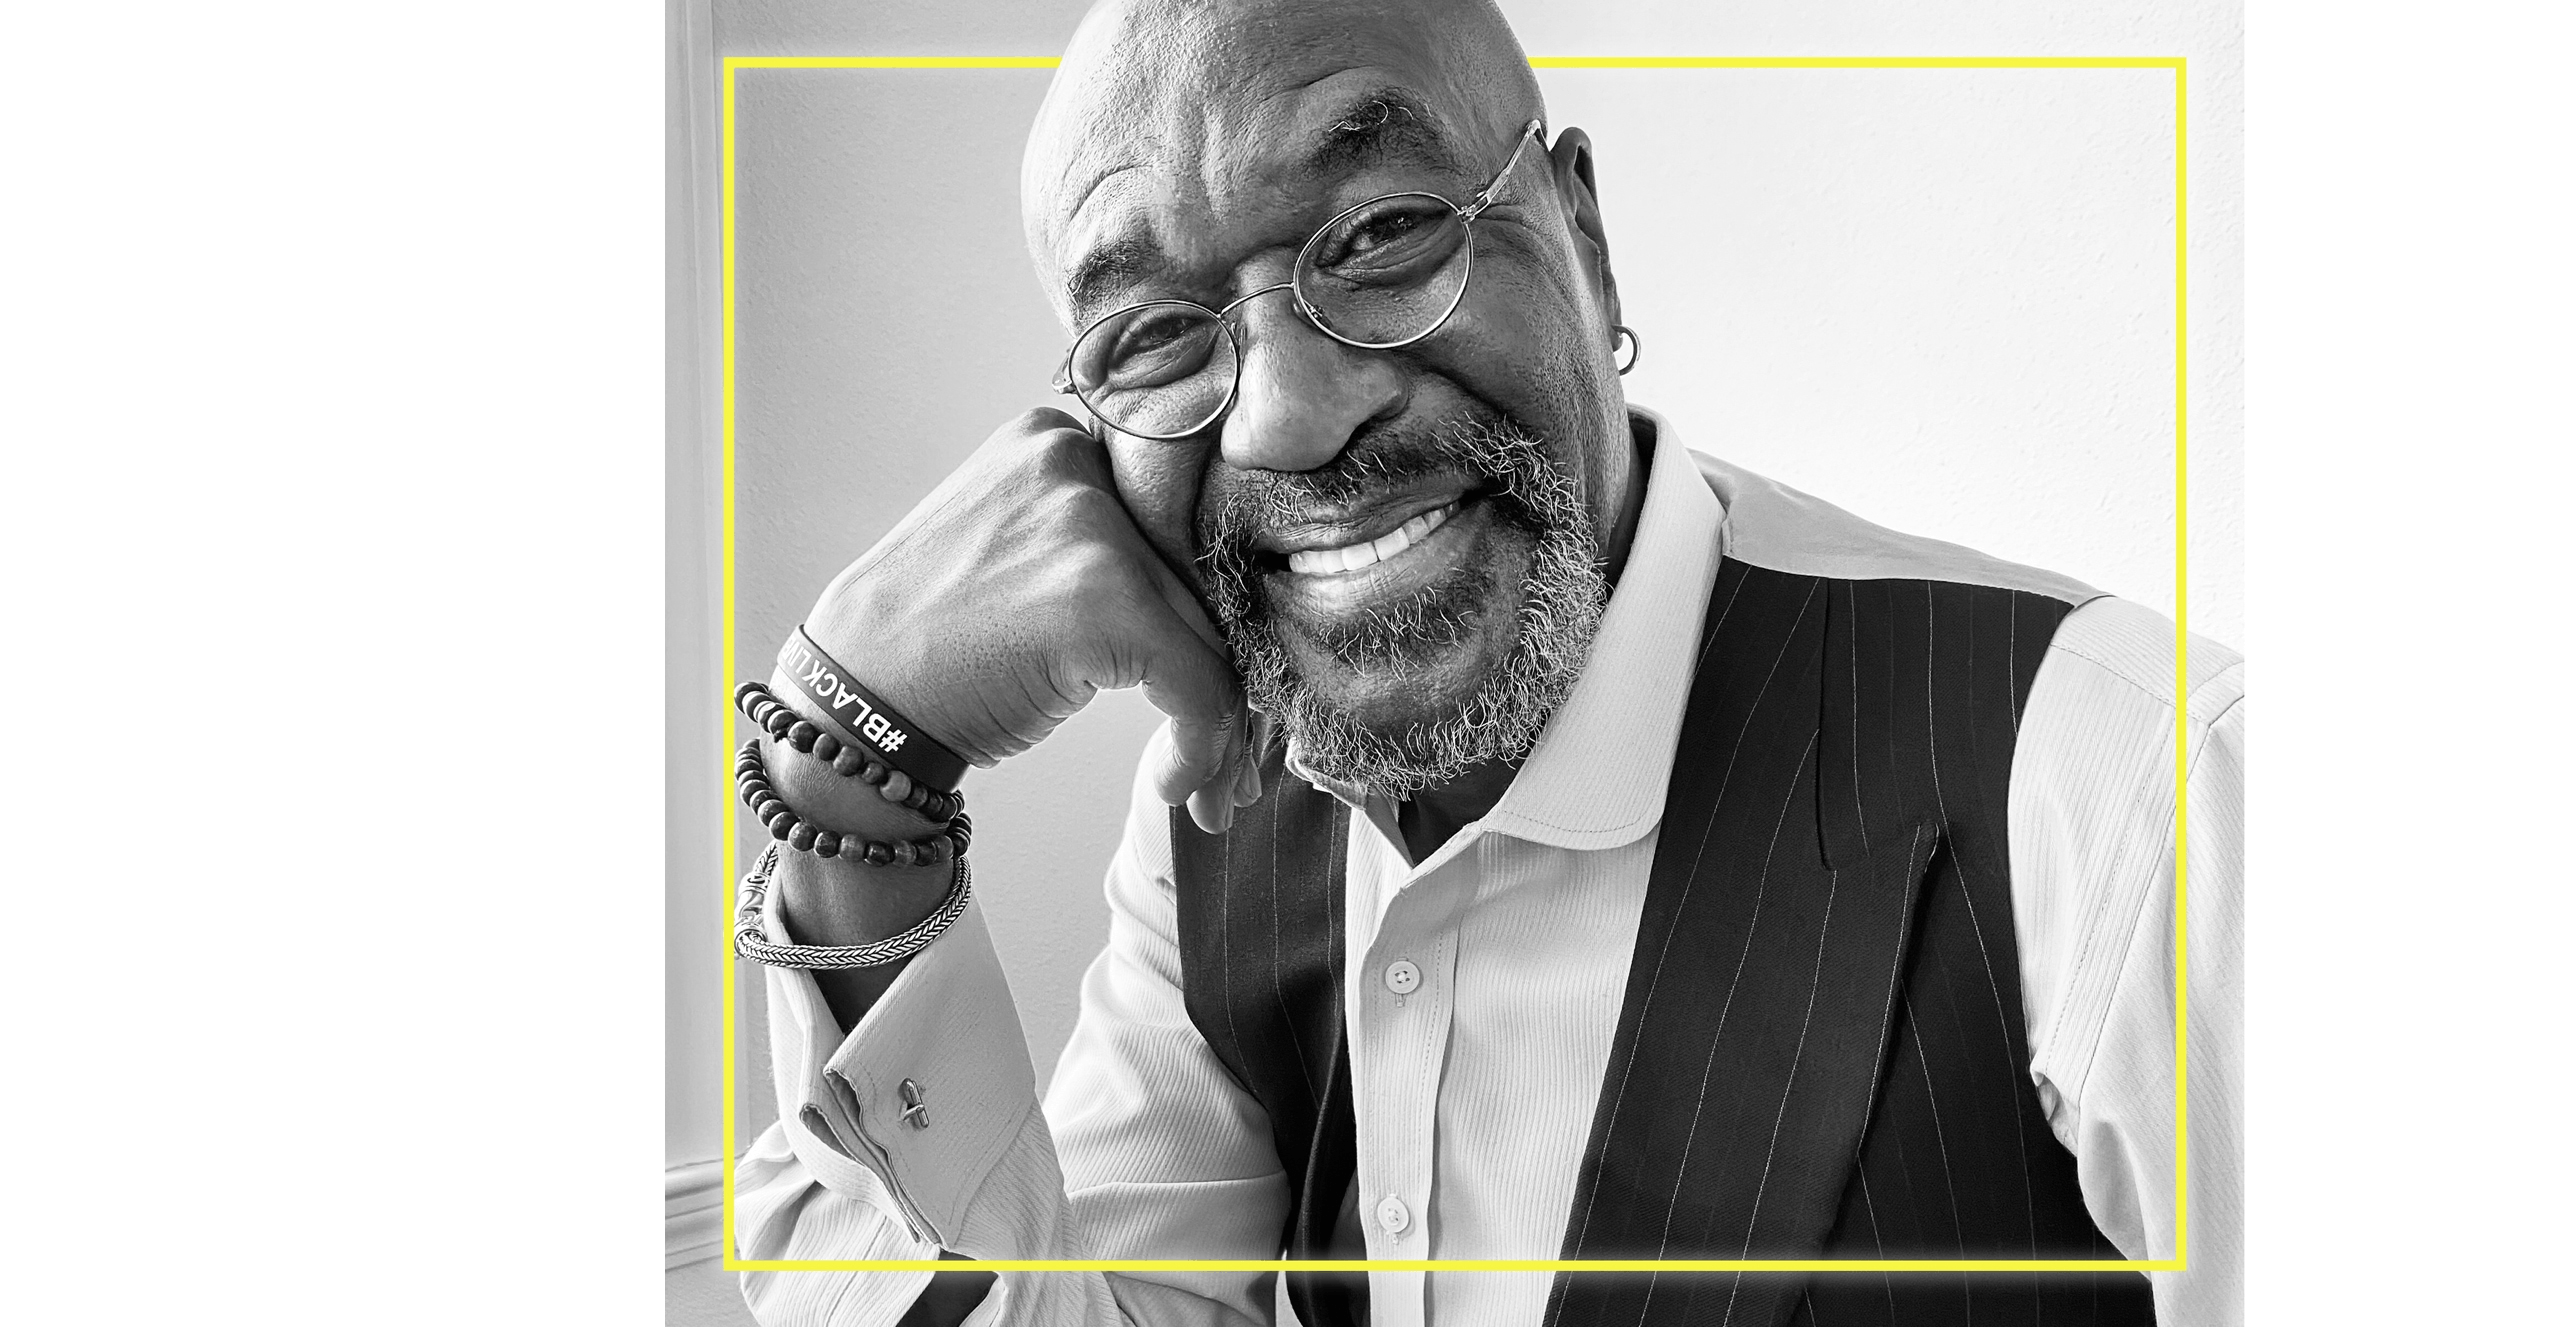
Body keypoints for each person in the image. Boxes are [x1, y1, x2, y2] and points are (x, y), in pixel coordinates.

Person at [729, 1, 2243, 1324]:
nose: (1288, 417)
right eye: (1152, 335)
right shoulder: (1209, 817)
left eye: (1382, 232)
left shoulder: (2130, 778)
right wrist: (847, 770)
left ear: (1581, 234)